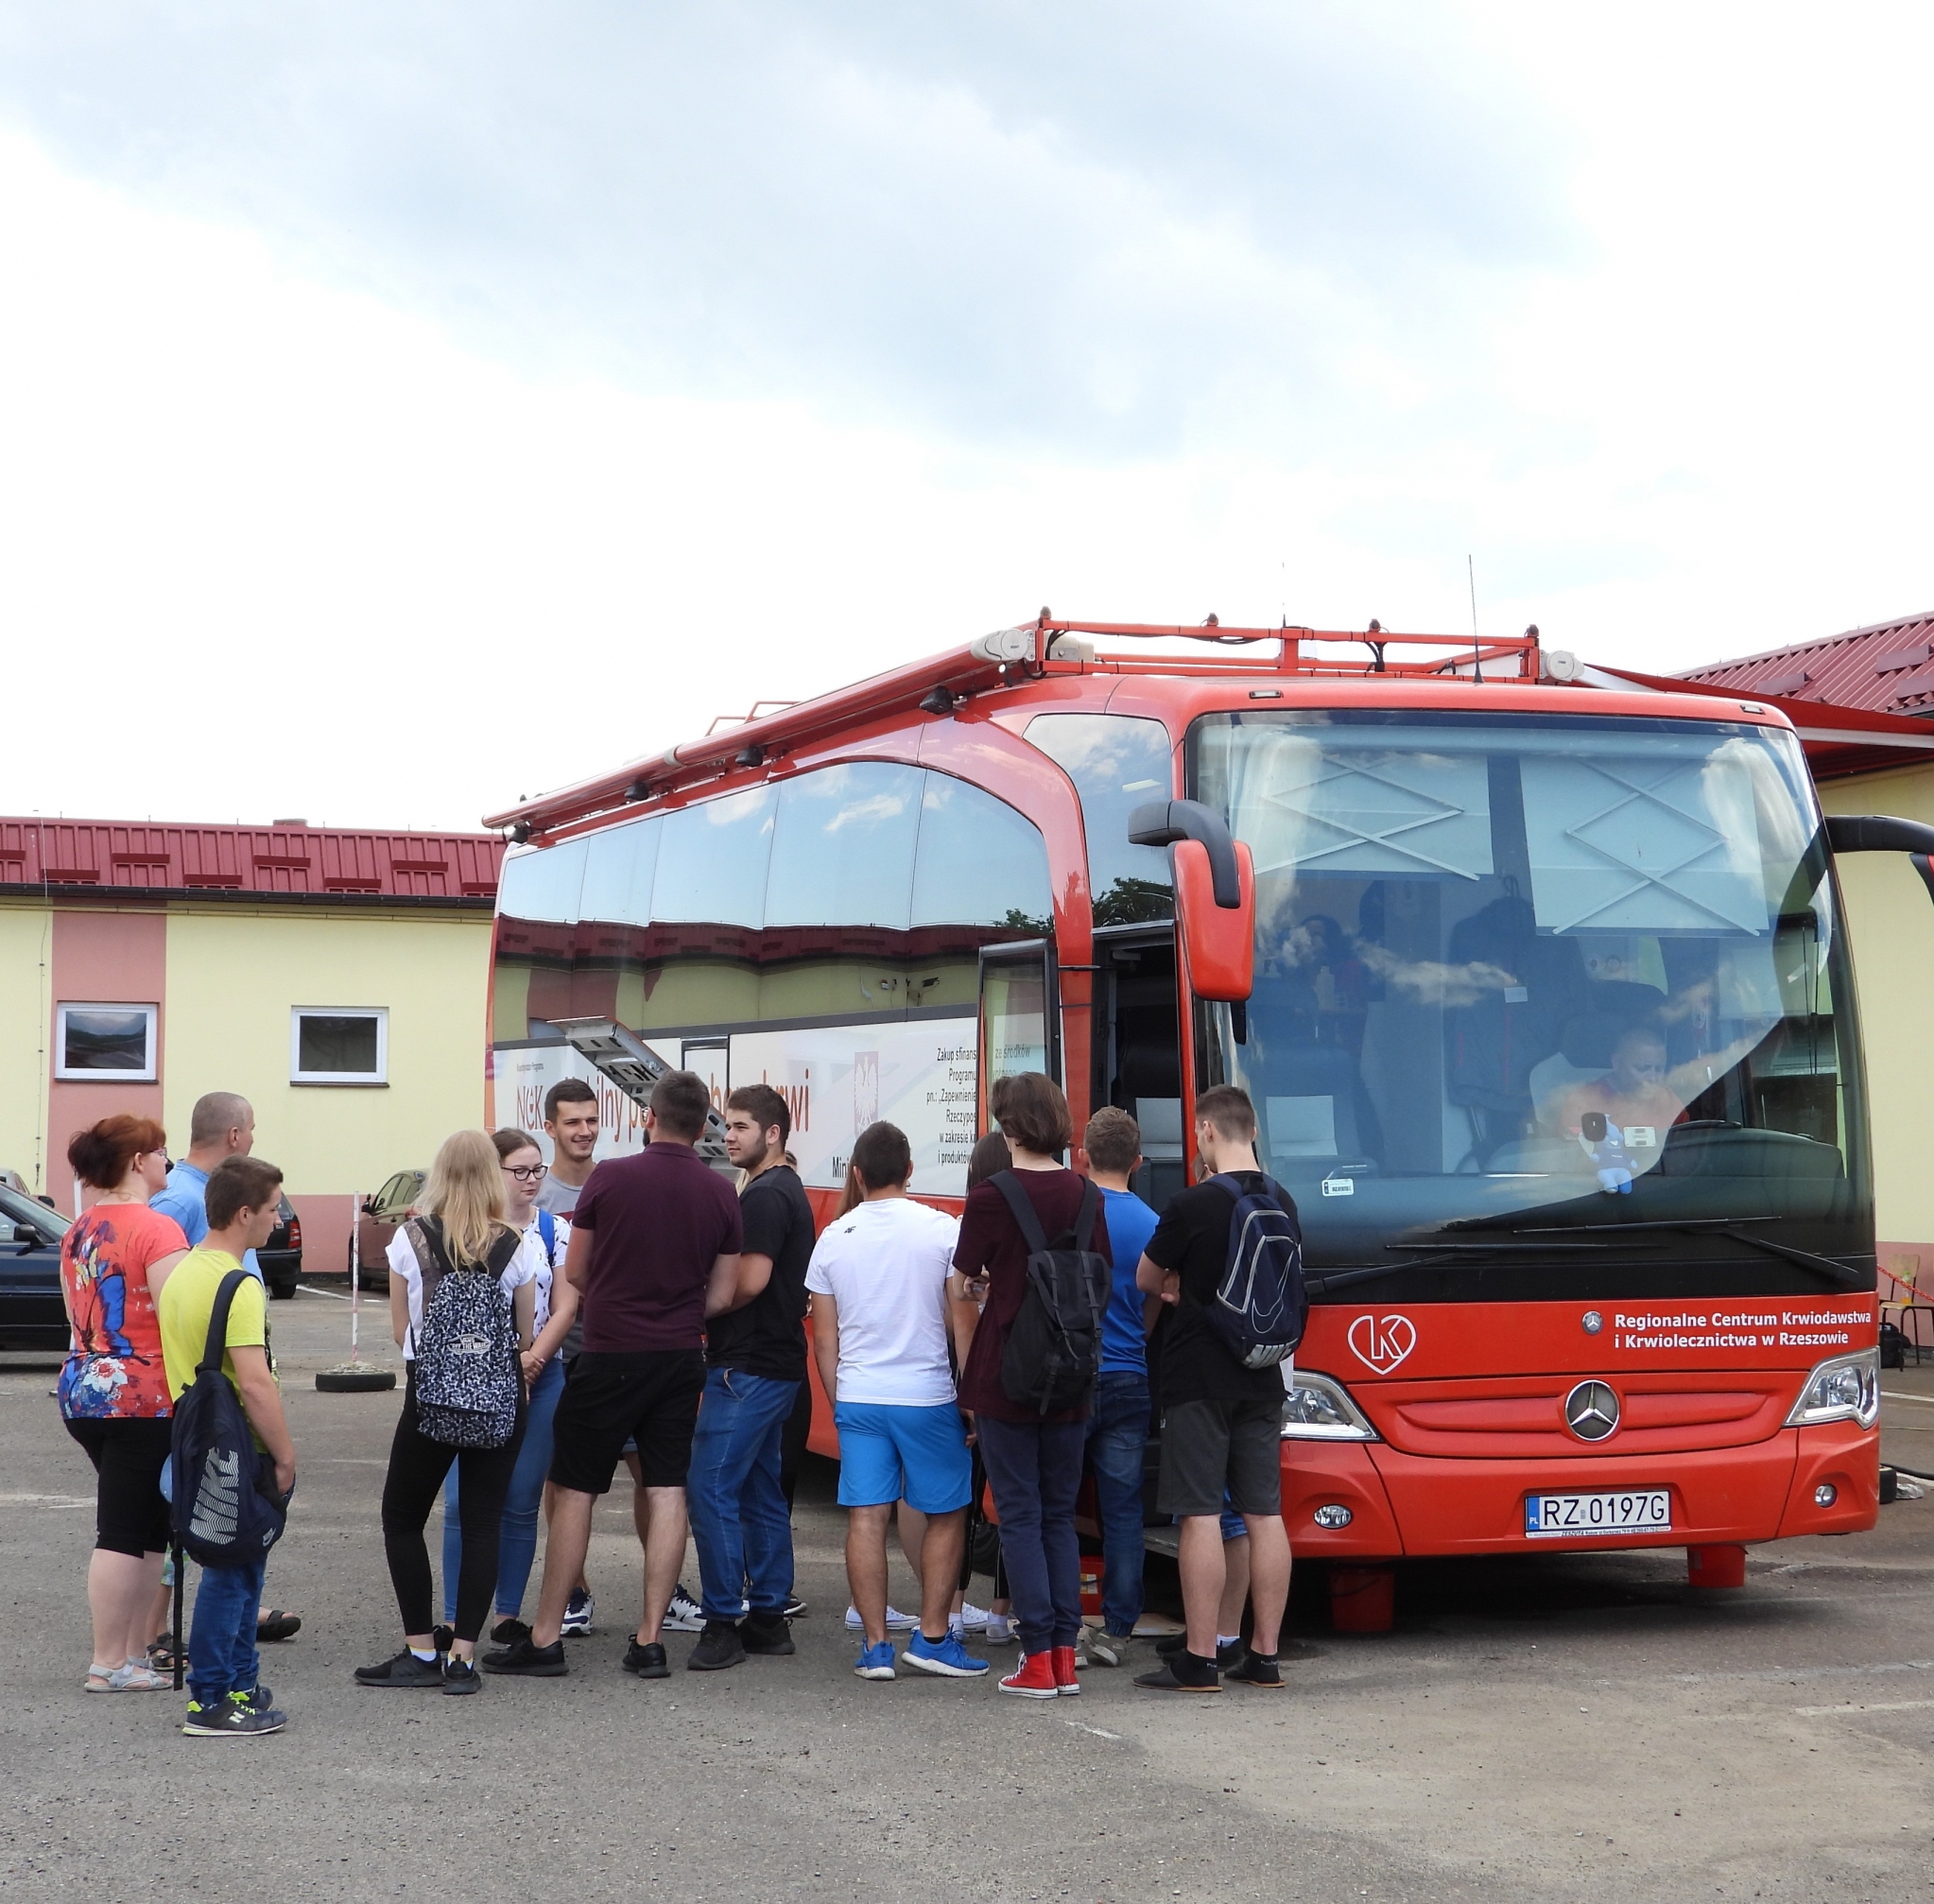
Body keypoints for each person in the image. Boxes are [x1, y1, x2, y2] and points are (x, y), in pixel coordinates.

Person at [483, 1070, 741, 1682]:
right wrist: (674, 1307)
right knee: (666, 1487)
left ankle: (546, 1637)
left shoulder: (611, 1177)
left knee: (574, 1489)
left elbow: (576, 1271)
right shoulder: (721, 1192)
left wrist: (625, 1300)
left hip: (609, 1352)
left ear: (649, 1118)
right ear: (703, 1124)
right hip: (681, 1356)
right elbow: (725, 1293)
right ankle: (650, 1639)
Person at [355, 1132, 538, 1695]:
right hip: (499, 1399)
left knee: (403, 1517)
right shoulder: (517, 1243)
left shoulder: (411, 1240)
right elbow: (525, 1333)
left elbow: (400, 1332)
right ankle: (463, 1658)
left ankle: (419, 1649)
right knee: (484, 1523)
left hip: (431, 1396)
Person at [807, 1120, 985, 1683]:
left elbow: (823, 1336)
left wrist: (840, 1398)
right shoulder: (942, 1233)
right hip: (927, 1395)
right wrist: (971, 1399)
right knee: (947, 1512)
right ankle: (933, 1635)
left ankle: (877, 1647)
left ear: (856, 1175)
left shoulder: (833, 1238)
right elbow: (963, 1323)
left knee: (866, 1517)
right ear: (911, 1171)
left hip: (860, 1397)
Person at [953, 1072, 1110, 1699]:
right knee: (1058, 1517)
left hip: (1006, 1376)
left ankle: (1038, 1657)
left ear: (1008, 1126)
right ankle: (1065, 1655)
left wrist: (986, 1287)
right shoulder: (1088, 1195)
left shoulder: (992, 1196)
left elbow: (965, 1274)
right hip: (1072, 1373)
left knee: (1017, 1515)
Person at [1132, 1085, 1291, 1692]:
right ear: (1251, 1131)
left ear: (1204, 1133)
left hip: (1199, 1376)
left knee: (1199, 1514)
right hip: (1265, 1373)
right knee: (1264, 1514)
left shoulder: (1191, 1204)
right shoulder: (1285, 1202)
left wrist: (1173, 1284)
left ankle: (1200, 1658)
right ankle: (1265, 1655)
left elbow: (1148, 1276)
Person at [147, 1089, 301, 1648]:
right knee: (230, 1569)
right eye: (272, 1209)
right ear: (242, 1214)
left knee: (224, 1564)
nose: (278, 1219)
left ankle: (224, 1680)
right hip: (231, 1434)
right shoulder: (224, 1271)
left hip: (203, 1425)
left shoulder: (188, 1270)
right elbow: (254, 1382)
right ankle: (214, 1688)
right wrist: (284, 1455)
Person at [684, 1085, 816, 1670]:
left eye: (739, 1127)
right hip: (776, 1366)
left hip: (749, 1368)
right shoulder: (783, 1189)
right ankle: (766, 1619)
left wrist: (688, 1312)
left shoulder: (765, 1197)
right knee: (761, 1493)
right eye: (726, 1126)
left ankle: (721, 1620)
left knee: (709, 1487)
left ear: (773, 1134)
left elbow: (751, 1282)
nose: (728, 1136)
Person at [57, 1116, 188, 1693]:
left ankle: (132, 1654)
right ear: (138, 1161)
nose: (167, 1161)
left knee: (146, 1527)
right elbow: (178, 1317)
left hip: (85, 1386)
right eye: (161, 1152)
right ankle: (108, 1661)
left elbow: (73, 1318)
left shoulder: (78, 1229)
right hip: (142, 1395)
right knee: (122, 1529)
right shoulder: (156, 1230)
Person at [438, 1130, 578, 1643]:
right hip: (471, 1381)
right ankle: (454, 1617)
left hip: (540, 1377)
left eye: (537, 1170)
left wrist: (535, 1357)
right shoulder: (465, 1230)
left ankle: (506, 1616)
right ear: (490, 1173)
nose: (531, 1181)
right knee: (461, 1503)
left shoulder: (554, 1229)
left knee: (521, 1500)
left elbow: (566, 1304)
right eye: (519, 1170)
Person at [1077, 1106, 1160, 1668]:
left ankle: (1061, 1626)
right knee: (1124, 1510)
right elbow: (1156, 1298)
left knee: (1055, 1503)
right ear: (1137, 1160)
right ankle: (1118, 1630)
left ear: (1081, 1156)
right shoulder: (1154, 1223)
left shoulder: (1074, 1212)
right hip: (1130, 1373)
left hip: (1073, 1375)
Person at [535, 1078, 609, 1636]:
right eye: (572, 1122)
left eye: (590, 1120)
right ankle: (574, 1589)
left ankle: (671, 1589)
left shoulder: (615, 1184)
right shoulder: (536, 1197)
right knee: (559, 1481)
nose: (584, 1131)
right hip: (558, 1357)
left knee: (651, 1476)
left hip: (616, 1348)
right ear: (551, 1127)